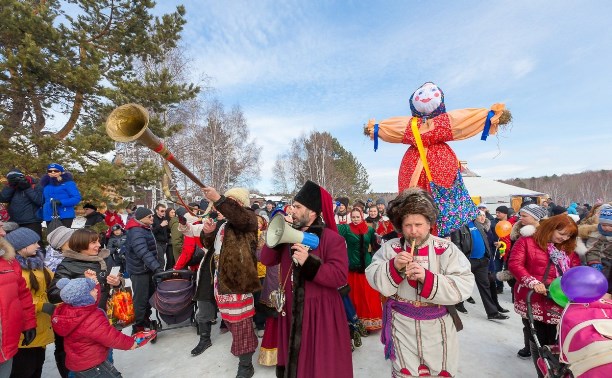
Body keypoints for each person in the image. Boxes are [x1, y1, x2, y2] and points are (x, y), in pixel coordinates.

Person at [365, 188, 475, 377]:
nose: (413, 231)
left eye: (418, 224)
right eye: (408, 225)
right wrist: (393, 266)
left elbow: (464, 284)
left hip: (438, 326)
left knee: (439, 372)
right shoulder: (391, 248)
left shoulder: (446, 248)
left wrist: (428, 278)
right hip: (401, 324)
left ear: (429, 224)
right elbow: (373, 275)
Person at [261, 180, 352, 378]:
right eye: (293, 206)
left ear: (313, 212)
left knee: (318, 364)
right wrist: (275, 236)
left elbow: (339, 276)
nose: (292, 210)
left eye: (298, 207)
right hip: (292, 308)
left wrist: (309, 263)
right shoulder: (288, 235)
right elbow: (266, 259)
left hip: (320, 312)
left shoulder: (332, 239)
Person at [508, 214, 581, 378]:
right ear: (551, 228)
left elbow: (575, 269)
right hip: (533, 296)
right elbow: (515, 264)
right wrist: (532, 282)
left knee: (559, 338)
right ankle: (542, 369)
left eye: (569, 236)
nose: (564, 238)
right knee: (538, 336)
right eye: (561, 234)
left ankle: (556, 369)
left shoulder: (567, 247)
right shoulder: (527, 241)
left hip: (559, 299)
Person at [200, 186, 260, 378]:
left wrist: (218, 198)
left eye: (231, 202)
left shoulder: (249, 219)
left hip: (239, 283)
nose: (225, 206)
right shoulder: (225, 225)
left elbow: (239, 216)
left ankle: (245, 366)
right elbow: (211, 247)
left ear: (239, 204)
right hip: (222, 282)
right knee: (233, 323)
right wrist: (208, 233)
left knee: (242, 324)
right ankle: (244, 357)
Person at [51, 276, 137, 377]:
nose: (96, 290)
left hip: (79, 363)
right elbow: (110, 336)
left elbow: (91, 301)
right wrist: (130, 343)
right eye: (92, 290)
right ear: (84, 297)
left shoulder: (71, 310)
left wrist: (95, 284)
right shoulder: (91, 318)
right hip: (94, 364)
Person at [5, 228, 55, 378]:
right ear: (20, 247)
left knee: (36, 369)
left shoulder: (39, 265)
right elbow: (15, 299)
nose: (38, 246)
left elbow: (53, 288)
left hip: (42, 327)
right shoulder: (14, 269)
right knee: (23, 371)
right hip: (23, 333)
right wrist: (41, 305)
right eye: (33, 243)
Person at [450, 214, 509, 320]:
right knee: (463, 284)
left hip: (482, 261)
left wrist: (488, 254)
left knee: (485, 286)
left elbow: (485, 240)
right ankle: (459, 303)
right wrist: (463, 261)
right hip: (469, 261)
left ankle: (492, 313)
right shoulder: (458, 226)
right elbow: (456, 245)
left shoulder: (477, 223)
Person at [0, 224, 37, 378]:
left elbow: (22, 295)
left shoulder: (8, 260)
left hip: (6, 344)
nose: (3, 232)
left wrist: (29, 323)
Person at [338, 207, 382, 332]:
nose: (355, 219)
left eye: (357, 217)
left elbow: (376, 247)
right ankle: (354, 323)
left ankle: (368, 323)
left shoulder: (369, 229)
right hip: (352, 268)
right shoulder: (346, 228)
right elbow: (330, 228)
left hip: (366, 268)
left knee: (367, 297)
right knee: (353, 296)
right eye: (353, 217)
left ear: (362, 216)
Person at [124, 207, 161, 335]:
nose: (152, 218)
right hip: (139, 270)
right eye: (150, 216)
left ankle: (145, 318)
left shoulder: (143, 228)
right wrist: (156, 267)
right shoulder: (136, 231)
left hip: (147, 269)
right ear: (142, 218)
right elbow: (143, 252)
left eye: (152, 216)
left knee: (149, 296)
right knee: (141, 298)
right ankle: (138, 325)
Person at [0, 169, 44, 240]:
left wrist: (27, 188)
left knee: (35, 243)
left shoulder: (34, 185)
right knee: (15, 244)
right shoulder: (10, 187)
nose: (15, 180)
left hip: (32, 221)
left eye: (17, 178)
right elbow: (3, 199)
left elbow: (40, 201)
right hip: (14, 222)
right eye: (11, 179)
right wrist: (11, 187)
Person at [40, 163, 82, 228]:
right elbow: (43, 200)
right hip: (49, 214)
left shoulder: (68, 183)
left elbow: (76, 198)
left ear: (61, 172)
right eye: (50, 171)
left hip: (65, 215)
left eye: (56, 171)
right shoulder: (45, 185)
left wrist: (61, 202)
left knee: (63, 236)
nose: (53, 172)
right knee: (51, 236)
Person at [151, 203, 171, 269]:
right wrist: (160, 225)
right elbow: (152, 232)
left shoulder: (164, 218)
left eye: (164, 211)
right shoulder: (152, 218)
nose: (163, 212)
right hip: (156, 242)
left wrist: (169, 235)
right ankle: (160, 276)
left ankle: (160, 274)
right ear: (157, 210)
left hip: (164, 243)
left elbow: (165, 231)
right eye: (162, 211)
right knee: (161, 261)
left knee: (161, 260)